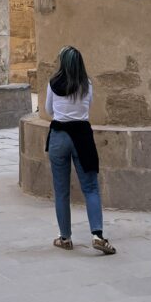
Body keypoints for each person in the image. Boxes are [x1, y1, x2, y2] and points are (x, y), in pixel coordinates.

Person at [45, 46, 116, 255]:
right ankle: (97, 234)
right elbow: (88, 106)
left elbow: (49, 110)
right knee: (91, 187)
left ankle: (65, 237)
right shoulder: (87, 84)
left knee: (61, 190)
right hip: (81, 137)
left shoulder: (53, 84)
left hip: (59, 135)